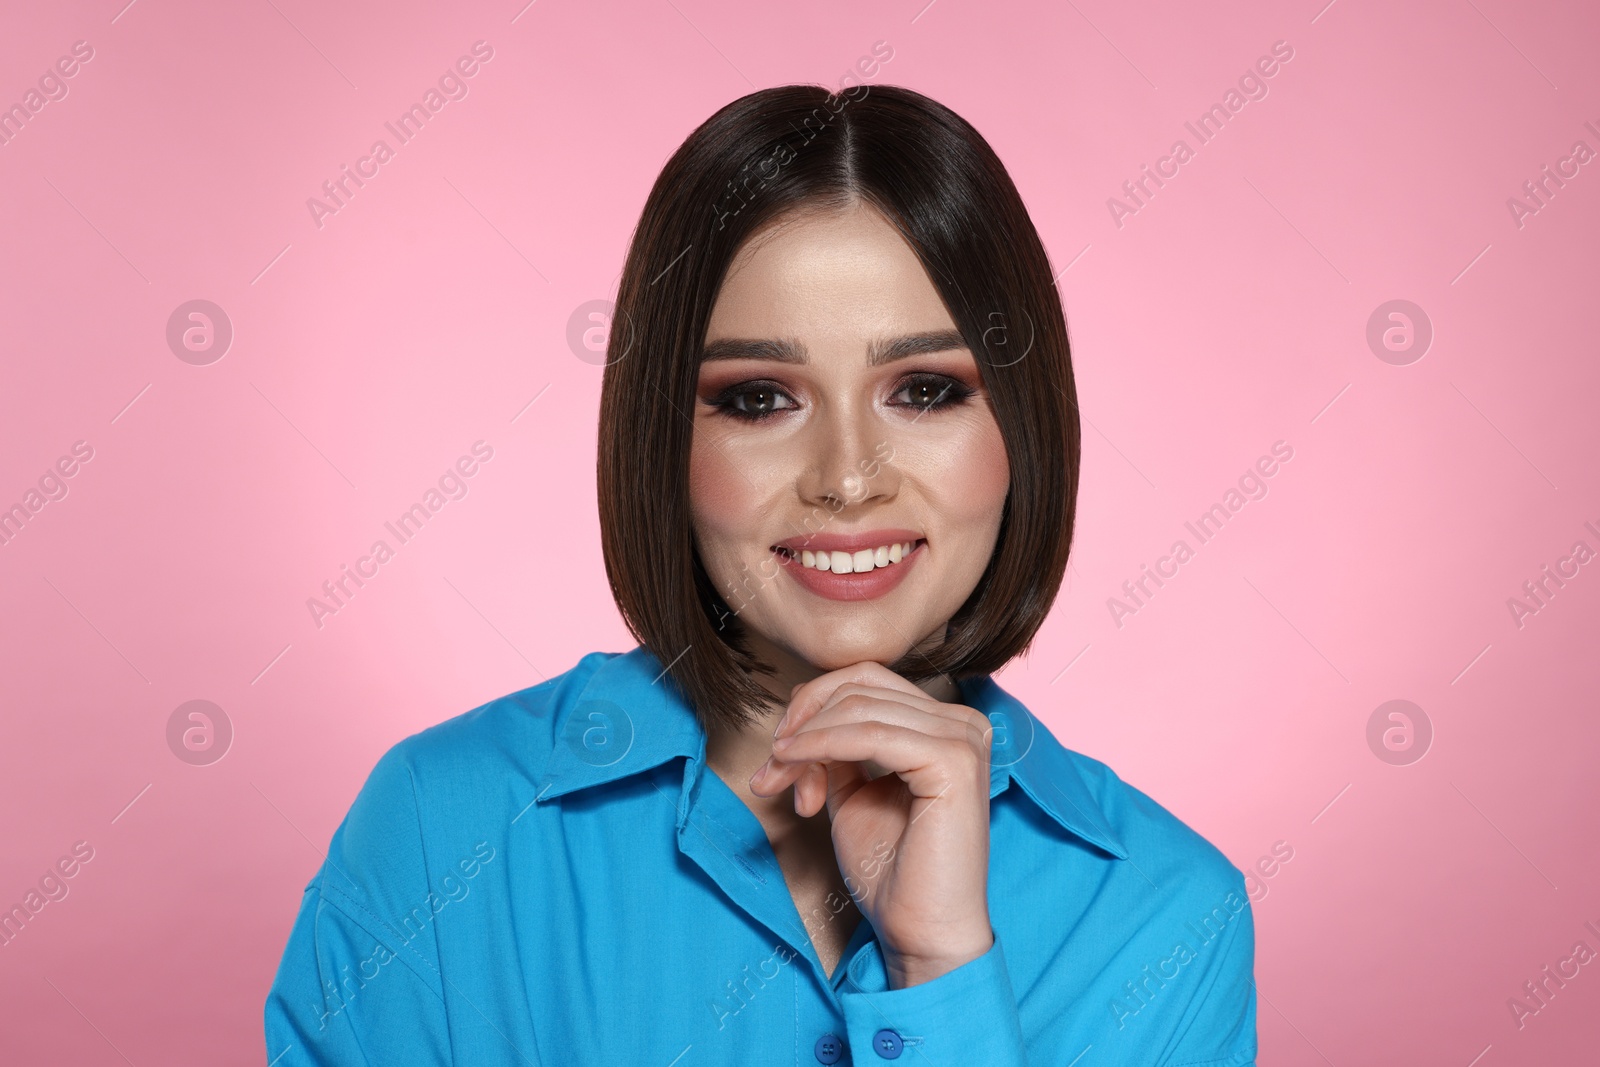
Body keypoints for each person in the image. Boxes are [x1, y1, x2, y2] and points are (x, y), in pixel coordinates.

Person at [264, 82, 1257, 1066]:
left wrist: (941, 970)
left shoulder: (1166, 916)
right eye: (758, 398)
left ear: (1021, 426)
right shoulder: (446, 829)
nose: (847, 478)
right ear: (663, 438)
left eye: (922, 390)